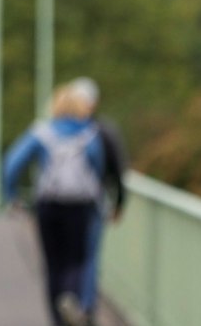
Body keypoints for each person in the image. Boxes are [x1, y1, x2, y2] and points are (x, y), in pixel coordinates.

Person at [4, 80, 119, 326]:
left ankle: (57, 318)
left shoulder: (42, 132)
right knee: (77, 260)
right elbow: (98, 168)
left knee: (53, 264)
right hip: (80, 205)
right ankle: (72, 297)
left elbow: (12, 163)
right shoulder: (90, 133)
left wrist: (12, 195)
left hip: (49, 204)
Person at [66, 78, 126, 318]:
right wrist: (119, 202)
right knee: (90, 256)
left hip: (64, 203)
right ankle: (86, 306)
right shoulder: (103, 131)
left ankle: (71, 297)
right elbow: (117, 169)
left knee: (71, 254)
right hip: (93, 200)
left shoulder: (61, 130)